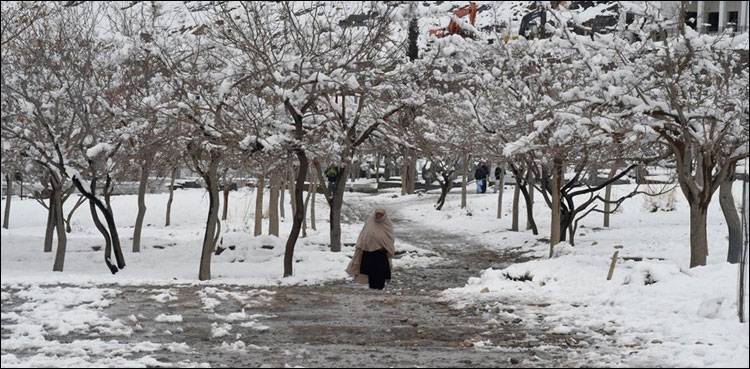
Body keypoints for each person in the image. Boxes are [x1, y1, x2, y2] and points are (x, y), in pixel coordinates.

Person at [346, 208, 395, 290]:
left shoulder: (387, 224)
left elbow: (390, 237)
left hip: (381, 252)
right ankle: (372, 285)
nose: (378, 216)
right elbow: (364, 234)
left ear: (384, 215)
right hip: (368, 251)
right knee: (370, 270)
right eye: (377, 214)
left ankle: (380, 286)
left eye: (380, 214)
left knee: (380, 270)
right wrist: (362, 244)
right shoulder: (370, 222)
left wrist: (385, 245)